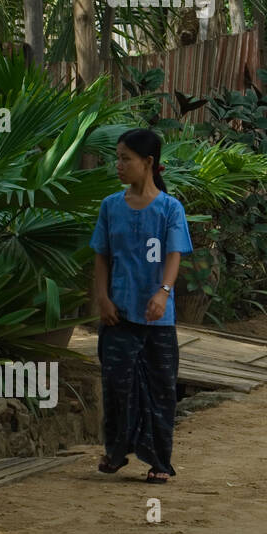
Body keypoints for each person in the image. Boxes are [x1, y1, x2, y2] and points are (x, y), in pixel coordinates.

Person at [90, 128, 193, 484]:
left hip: (157, 320)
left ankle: (159, 461)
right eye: (117, 157)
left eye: (125, 159)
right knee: (117, 385)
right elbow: (102, 257)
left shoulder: (170, 209)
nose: (118, 165)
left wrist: (163, 292)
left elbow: (174, 255)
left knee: (161, 389)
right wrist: (102, 298)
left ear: (148, 163)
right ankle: (116, 453)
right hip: (118, 314)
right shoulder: (110, 206)